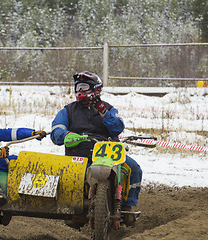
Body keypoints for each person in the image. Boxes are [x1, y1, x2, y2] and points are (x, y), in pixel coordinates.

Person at [51, 71, 142, 226]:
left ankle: (127, 206)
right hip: (79, 153)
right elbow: (55, 130)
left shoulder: (108, 109)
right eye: (78, 87)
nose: (80, 91)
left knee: (134, 169)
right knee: (74, 177)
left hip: (108, 151)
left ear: (96, 89)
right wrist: (65, 135)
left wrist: (103, 112)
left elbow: (117, 128)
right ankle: (76, 209)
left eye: (84, 87)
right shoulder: (67, 110)